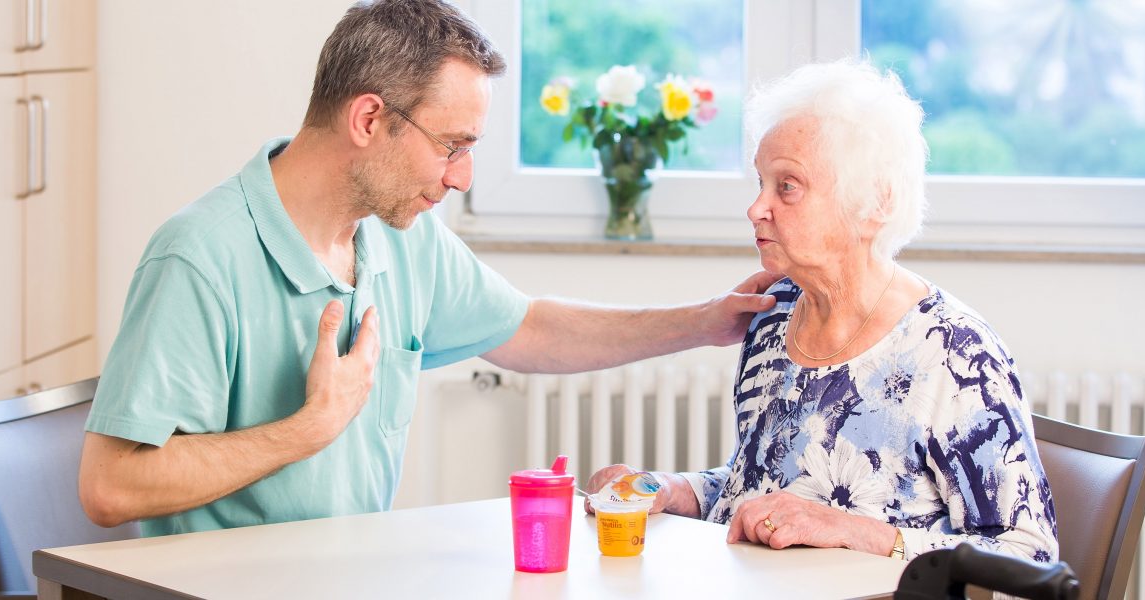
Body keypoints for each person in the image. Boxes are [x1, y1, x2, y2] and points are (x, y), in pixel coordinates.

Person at [77, 0, 778, 536]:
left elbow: (528, 328)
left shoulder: (399, 237)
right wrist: (307, 428)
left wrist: (704, 322)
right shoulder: (200, 257)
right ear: (368, 119)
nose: (462, 177)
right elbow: (110, 486)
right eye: (451, 146)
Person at [586, 59, 1058, 563]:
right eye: (760, 183)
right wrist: (669, 489)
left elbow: (1029, 556)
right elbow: (755, 487)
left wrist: (854, 531)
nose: (756, 208)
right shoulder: (775, 317)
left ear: (875, 203)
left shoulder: (955, 353)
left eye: (787, 186)